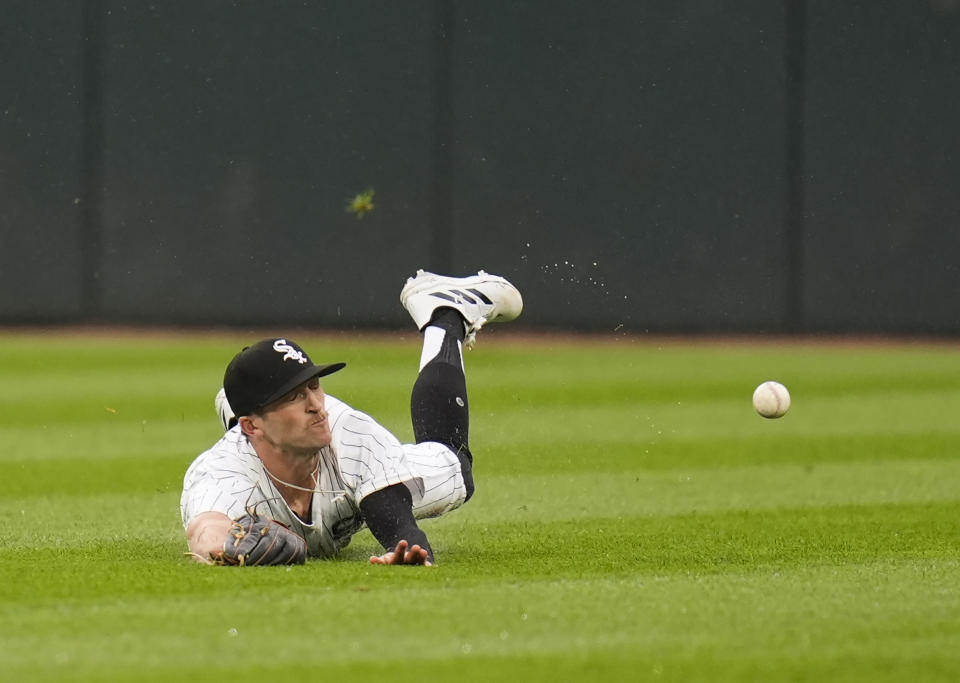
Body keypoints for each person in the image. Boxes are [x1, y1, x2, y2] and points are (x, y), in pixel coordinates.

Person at [180, 269, 523, 566]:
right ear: (251, 425)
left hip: (350, 476)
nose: (316, 404)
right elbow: (206, 529)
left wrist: (408, 551)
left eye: (315, 386)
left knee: (457, 468)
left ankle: (445, 313)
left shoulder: (349, 432)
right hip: (257, 445)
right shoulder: (223, 472)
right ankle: (240, 406)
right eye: (295, 396)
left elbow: (398, 524)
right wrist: (225, 546)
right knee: (258, 439)